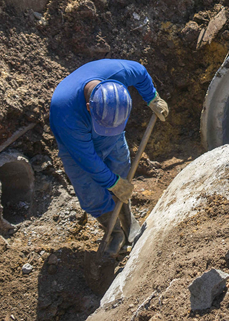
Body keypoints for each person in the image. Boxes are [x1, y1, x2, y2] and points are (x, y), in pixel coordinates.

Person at [49, 59, 169, 255]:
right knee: (91, 191)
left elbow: (140, 72)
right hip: (77, 143)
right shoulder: (65, 113)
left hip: (108, 124)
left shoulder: (120, 73)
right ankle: (114, 233)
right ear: (89, 107)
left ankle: (127, 221)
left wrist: (152, 98)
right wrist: (112, 183)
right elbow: (88, 161)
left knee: (120, 166)